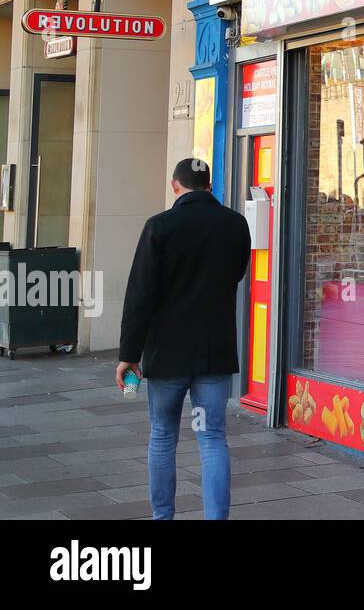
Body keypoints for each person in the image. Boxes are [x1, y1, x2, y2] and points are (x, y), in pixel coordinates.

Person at [117, 158, 251, 520]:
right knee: (212, 438)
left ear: (175, 186)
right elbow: (237, 273)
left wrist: (129, 354)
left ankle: (163, 517)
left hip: (167, 355)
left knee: (163, 437)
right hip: (214, 352)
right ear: (210, 187)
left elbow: (140, 295)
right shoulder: (235, 224)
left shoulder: (159, 226)